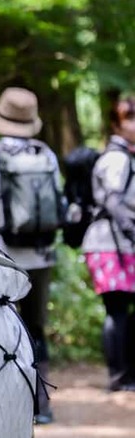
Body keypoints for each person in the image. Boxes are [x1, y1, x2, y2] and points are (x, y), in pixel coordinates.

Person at [0, 87, 62, 425]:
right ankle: (42, 405)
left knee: (1, 328)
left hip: (3, 257)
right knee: (36, 327)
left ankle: (7, 406)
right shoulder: (45, 154)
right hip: (41, 255)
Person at [81, 96, 135, 393]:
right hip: (109, 243)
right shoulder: (117, 158)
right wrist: (130, 230)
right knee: (116, 309)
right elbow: (113, 201)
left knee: (123, 311)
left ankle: (126, 375)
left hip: (119, 243)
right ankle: (118, 376)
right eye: (130, 118)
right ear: (116, 123)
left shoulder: (125, 155)